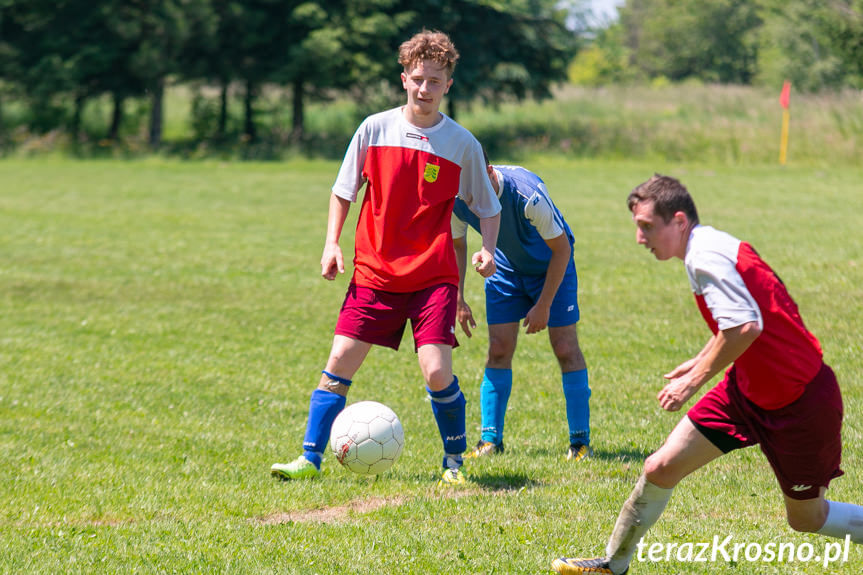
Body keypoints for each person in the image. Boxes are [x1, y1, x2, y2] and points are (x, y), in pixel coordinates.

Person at [552, 174, 862, 574]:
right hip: (745, 393)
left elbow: (745, 326)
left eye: (647, 227)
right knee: (659, 467)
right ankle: (613, 565)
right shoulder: (705, 248)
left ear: (678, 221)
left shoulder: (705, 256)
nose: (639, 239)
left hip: (799, 404)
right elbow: (742, 320)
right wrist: (698, 359)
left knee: (806, 519)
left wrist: (692, 380)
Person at [270, 30, 501, 486]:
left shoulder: (461, 143)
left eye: (435, 81)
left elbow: (488, 207)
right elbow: (343, 190)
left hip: (433, 273)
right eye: (417, 79)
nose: (424, 89)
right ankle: (310, 458)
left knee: (436, 370)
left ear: (448, 84)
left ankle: (454, 464)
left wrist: (488, 250)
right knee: (339, 361)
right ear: (403, 78)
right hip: (374, 271)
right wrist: (331, 243)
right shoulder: (374, 128)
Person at [452, 158, 591, 461]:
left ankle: (580, 441)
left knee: (565, 347)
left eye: (475, 192)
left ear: (490, 172)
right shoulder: (458, 198)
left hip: (552, 266)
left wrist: (543, 305)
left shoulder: (528, 196)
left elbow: (562, 248)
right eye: (466, 194)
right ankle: (490, 439)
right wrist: (459, 297)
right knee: (499, 349)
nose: (471, 202)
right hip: (504, 269)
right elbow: (457, 244)